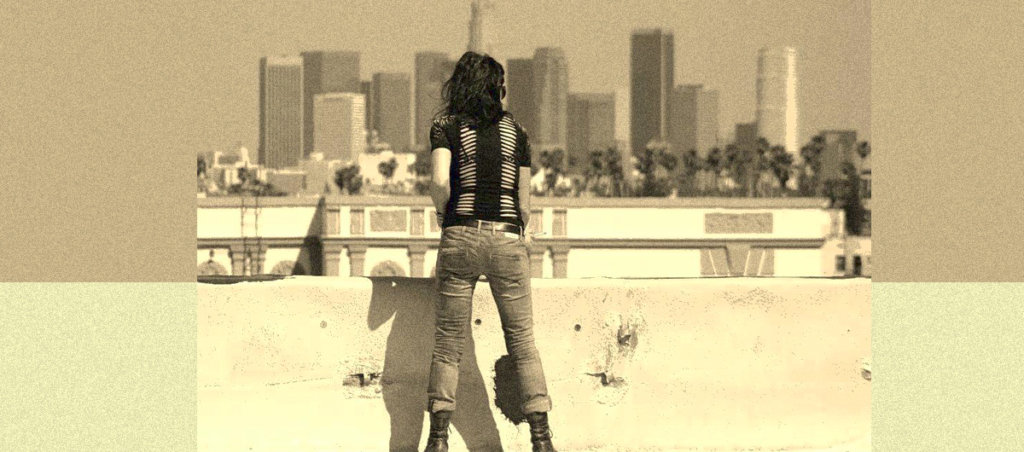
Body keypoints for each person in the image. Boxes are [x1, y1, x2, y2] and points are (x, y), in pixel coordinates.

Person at [423, 51, 556, 452]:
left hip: (461, 236)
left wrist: (447, 215)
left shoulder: (445, 126)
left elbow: (440, 182)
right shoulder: (517, 132)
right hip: (507, 238)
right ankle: (542, 438)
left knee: (448, 343)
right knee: (522, 342)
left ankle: (439, 439)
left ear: (458, 86)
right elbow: (525, 204)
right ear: (496, 88)